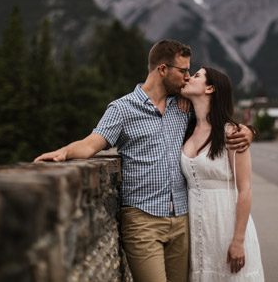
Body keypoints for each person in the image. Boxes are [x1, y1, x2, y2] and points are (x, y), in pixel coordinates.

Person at [34, 40, 253, 282]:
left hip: (182, 222)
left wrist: (248, 131)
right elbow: (90, 143)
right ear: (162, 69)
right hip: (143, 221)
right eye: (183, 71)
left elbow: (216, 115)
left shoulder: (184, 105)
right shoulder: (122, 109)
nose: (188, 77)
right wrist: (63, 152)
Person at [180, 68, 263, 281]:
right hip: (199, 229)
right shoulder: (185, 129)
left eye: (196, 75)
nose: (189, 77)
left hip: (226, 225)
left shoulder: (232, 134)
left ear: (210, 88)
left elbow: (245, 189)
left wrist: (238, 241)